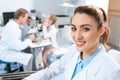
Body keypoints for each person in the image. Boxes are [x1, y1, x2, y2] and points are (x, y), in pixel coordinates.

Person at [23, 5, 120, 80]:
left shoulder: (113, 72)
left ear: (101, 30)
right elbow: (51, 71)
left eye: (85, 29)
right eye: (74, 28)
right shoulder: (74, 50)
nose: (77, 36)